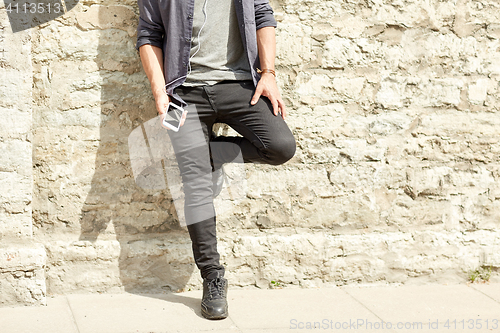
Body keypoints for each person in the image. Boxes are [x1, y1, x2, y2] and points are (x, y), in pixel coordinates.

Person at [135, 0, 296, 320]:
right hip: (180, 92)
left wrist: (269, 73)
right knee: (194, 183)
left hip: (240, 84)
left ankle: (203, 156)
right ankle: (213, 277)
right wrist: (160, 93)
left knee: (280, 147)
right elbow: (148, 34)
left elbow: (263, 14)